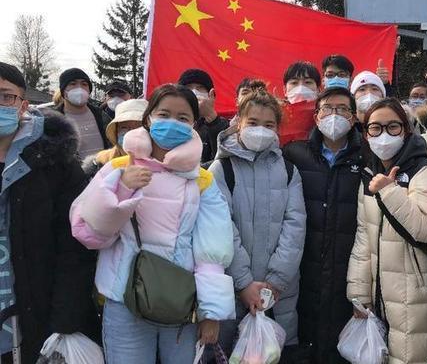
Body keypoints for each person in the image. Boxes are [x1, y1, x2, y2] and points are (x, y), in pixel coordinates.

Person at [70, 84, 235, 363]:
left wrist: (211, 313)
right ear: (148, 118)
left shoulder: (203, 180)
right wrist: (122, 189)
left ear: (193, 124)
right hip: (124, 299)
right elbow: (89, 233)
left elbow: (212, 252)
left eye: (182, 118)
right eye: (164, 114)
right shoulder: (118, 168)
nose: (172, 123)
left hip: (181, 301)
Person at [0, 63, 99, 363]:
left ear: (23, 105)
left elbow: (74, 245)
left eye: (6, 96)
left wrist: (65, 319)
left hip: (36, 314)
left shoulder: (56, 161)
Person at [210, 90, 306, 359]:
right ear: (238, 122)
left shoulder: (289, 171)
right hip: (232, 289)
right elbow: (220, 228)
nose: (260, 130)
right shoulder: (221, 170)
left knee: (273, 354)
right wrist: (244, 283)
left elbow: (295, 226)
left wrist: (275, 281)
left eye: (268, 124)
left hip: (278, 294)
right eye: (253, 123)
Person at [347, 98, 427, 364]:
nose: (384, 135)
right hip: (379, 292)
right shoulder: (370, 173)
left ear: (406, 131)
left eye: (393, 127)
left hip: (414, 292)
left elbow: (426, 231)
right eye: (375, 128)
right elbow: (364, 236)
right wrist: (358, 292)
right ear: (366, 134)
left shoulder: (425, 171)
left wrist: (389, 190)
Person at [283, 87, 363, 364]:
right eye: (327, 108)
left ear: (353, 117)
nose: (334, 114)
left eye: (342, 109)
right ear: (316, 116)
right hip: (304, 264)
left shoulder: (367, 156)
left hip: (348, 266)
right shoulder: (295, 153)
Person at [53, 68, 112, 159]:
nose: (79, 88)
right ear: (63, 91)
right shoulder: (53, 120)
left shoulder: (101, 115)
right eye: (73, 84)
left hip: (105, 167)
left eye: (84, 84)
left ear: (89, 90)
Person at [82, 98, 147, 178]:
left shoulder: (159, 161)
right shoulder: (100, 163)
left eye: (138, 127)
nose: (130, 133)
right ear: (116, 132)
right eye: (124, 127)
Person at [178, 68, 230, 166]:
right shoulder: (170, 122)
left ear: (211, 95)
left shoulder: (223, 125)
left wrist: (211, 117)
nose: (194, 92)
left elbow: (225, 161)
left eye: (200, 88)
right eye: (188, 87)